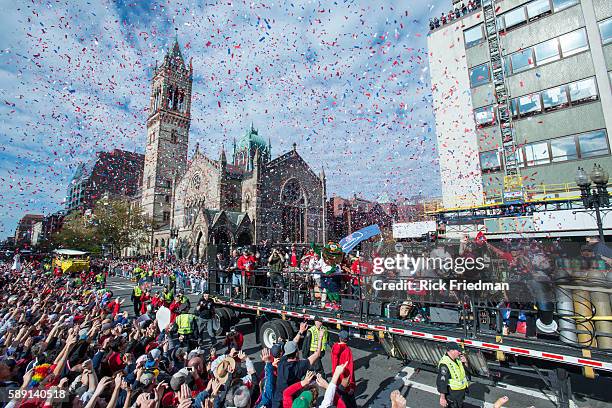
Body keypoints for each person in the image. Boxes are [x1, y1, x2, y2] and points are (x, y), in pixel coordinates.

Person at [272, 324, 324, 408]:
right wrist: (320, 337)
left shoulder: (282, 361)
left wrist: (300, 331)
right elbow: (317, 353)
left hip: (276, 400)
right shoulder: (300, 365)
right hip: (291, 401)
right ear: (297, 353)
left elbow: (293, 343)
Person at [437, 343, 469, 408]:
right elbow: (442, 382)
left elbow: (466, 371)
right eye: (458, 351)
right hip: (452, 394)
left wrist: (466, 362)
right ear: (451, 351)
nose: (460, 353)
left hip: (460, 393)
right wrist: (442, 398)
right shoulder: (444, 364)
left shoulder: (457, 359)